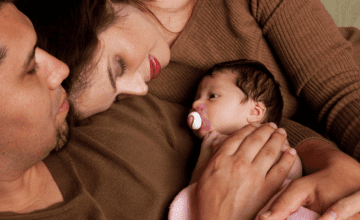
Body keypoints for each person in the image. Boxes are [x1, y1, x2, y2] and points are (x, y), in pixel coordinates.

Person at [14, 0, 360, 219]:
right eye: (118, 96)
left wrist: (336, 161)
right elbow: (260, 122)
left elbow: (342, 94)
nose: (139, 88)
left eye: (119, 67)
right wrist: (326, 157)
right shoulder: (148, 104)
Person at [169, 59, 319, 219]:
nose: (196, 103)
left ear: (255, 112)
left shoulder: (274, 139)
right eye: (197, 97)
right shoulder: (212, 141)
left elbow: (293, 174)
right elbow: (199, 183)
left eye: (212, 96)